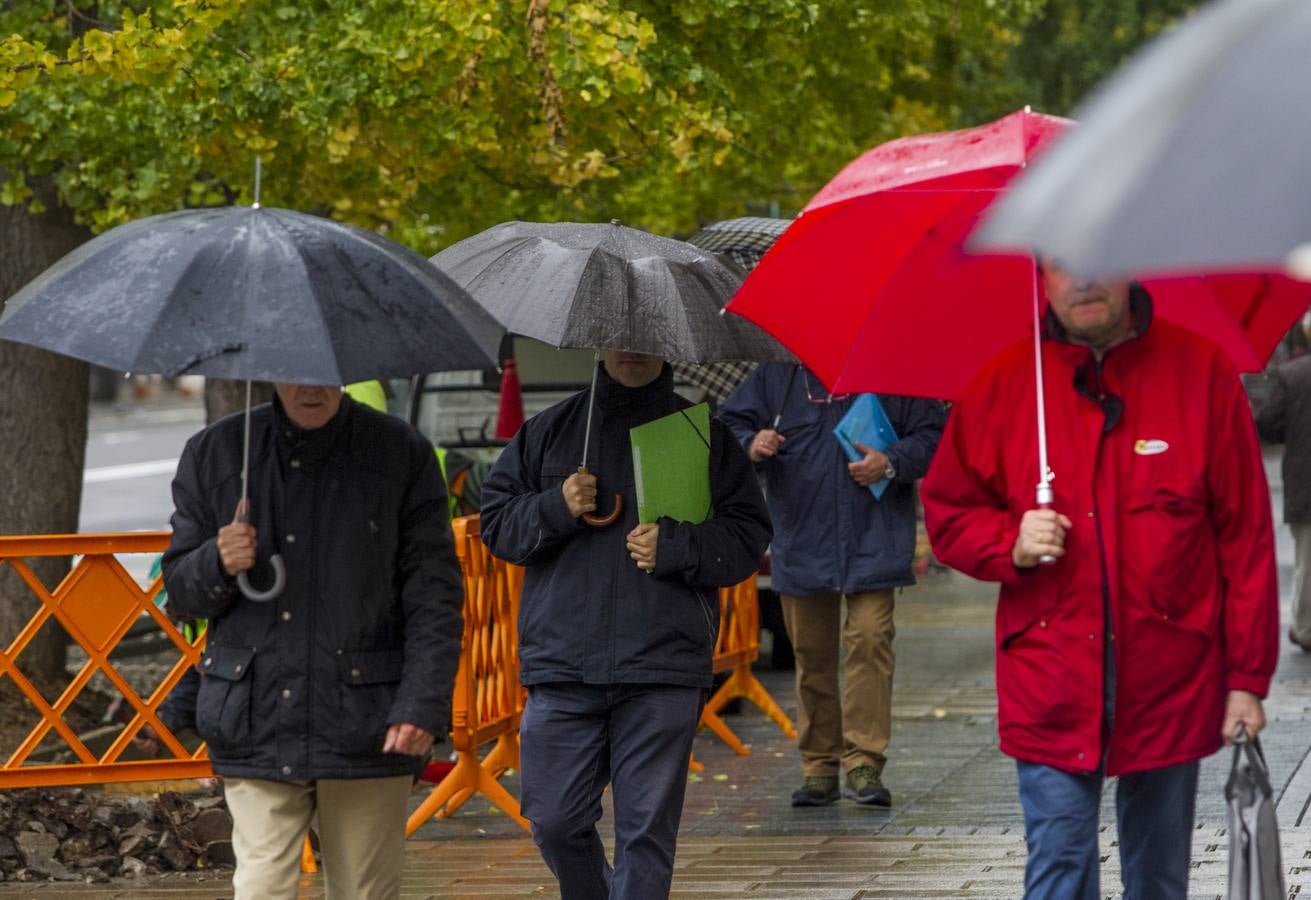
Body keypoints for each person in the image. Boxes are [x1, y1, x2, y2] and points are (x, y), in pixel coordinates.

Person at [921, 263, 1279, 899]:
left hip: (1172, 675)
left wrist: (1246, 680)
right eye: (1062, 262)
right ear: (1040, 277)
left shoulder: (1200, 372)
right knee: (1058, 867)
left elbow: (1244, 536)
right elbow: (949, 511)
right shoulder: (1006, 382)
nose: (1083, 279)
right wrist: (1011, 542)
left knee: (1161, 878)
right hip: (1050, 676)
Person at [480, 351, 771, 899]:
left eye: (646, 335)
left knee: (645, 837)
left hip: (663, 660)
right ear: (597, 342)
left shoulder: (704, 435)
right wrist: (556, 505)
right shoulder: (547, 431)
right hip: (562, 662)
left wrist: (678, 545)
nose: (633, 348)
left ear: (667, 344)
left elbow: (746, 540)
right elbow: (497, 526)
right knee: (554, 820)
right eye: (620, 335)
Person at [163, 383, 464, 900]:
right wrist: (217, 559)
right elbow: (181, 596)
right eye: (294, 371)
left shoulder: (398, 451)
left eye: (324, 372)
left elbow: (434, 596)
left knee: (365, 891)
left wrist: (422, 704)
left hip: (367, 719)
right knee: (260, 889)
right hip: (256, 715)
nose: (310, 386)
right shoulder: (216, 451)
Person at [719, 365, 945, 807]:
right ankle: (819, 763)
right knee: (811, 653)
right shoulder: (778, 377)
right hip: (803, 541)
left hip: (875, 540)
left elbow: (933, 434)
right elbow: (728, 422)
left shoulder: (894, 370)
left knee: (870, 640)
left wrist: (892, 462)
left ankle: (863, 762)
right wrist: (753, 443)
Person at [1257, 312, 1311, 652]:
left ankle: (1305, 627)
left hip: (1306, 484)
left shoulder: (1291, 375)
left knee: (1307, 561)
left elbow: (1267, 425)